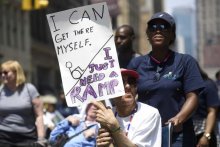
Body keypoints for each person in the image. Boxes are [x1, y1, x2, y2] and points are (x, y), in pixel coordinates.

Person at [127, 12, 204, 146]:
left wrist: (179, 118)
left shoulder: (185, 61)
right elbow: (127, 94)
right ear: (148, 35)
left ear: (172, 35)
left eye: (163, 26)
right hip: (145, 132)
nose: (157, 30)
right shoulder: (136, 64)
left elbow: (193, 97)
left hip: (177, 133)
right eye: (153, 27)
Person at [93, 68, 162, 147]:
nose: (128, 86)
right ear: (110, 91)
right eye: (120, 83)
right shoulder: (104, 117)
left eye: (132, 82)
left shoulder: (149, 113)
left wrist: (114, 127)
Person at [0, 60, 46, 147]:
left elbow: (39, 116)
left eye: (5, 72)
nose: (3, 75)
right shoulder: (1, 90)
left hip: (26, 137)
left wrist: (41, 139)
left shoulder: (30, 89)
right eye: (1, 72)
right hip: (3, 137)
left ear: (16, 72)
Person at [192, 67, 220, 147]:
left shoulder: (208, 85)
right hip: (190, 131)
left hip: (204, 129)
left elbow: (212, 111)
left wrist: (206, 136)